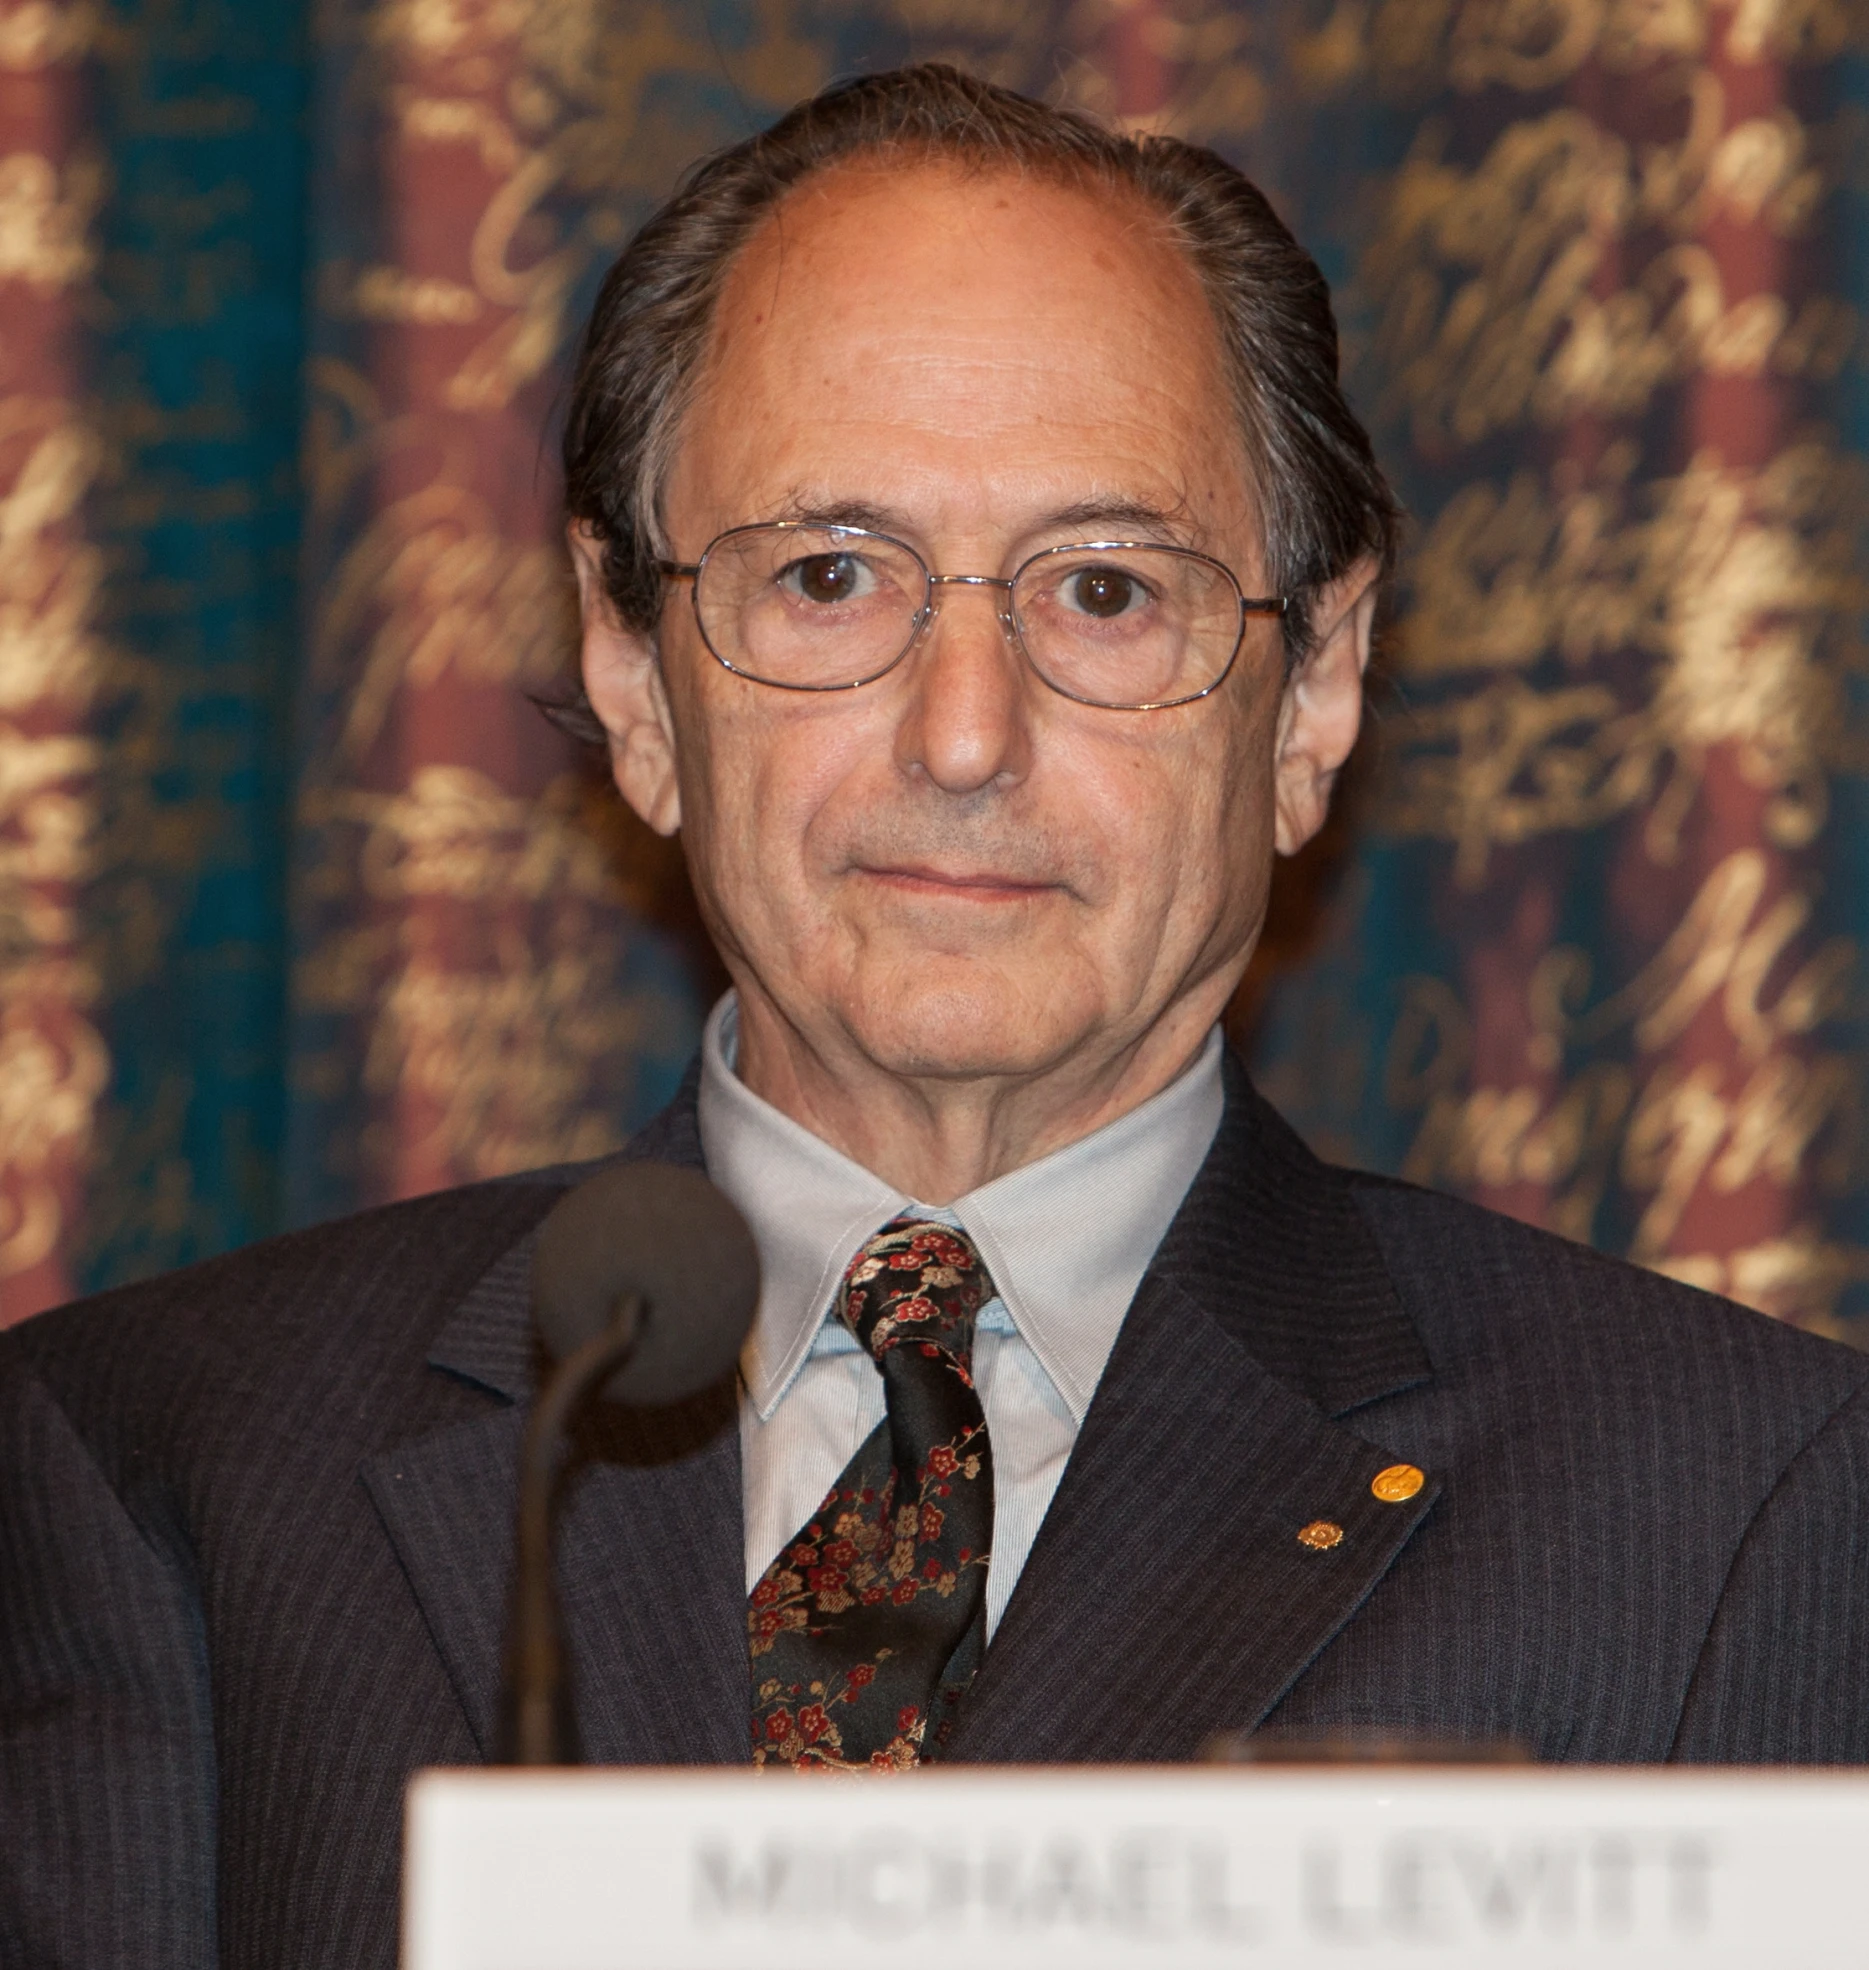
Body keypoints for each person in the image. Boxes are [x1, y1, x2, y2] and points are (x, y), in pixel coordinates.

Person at [5, 61, 1868, 1970]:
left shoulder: (1734, 1507)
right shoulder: (169, 1470)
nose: (965, 734)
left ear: (1309, 695)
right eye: (829, 576)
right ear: (634, 674)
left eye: (1104, 590)